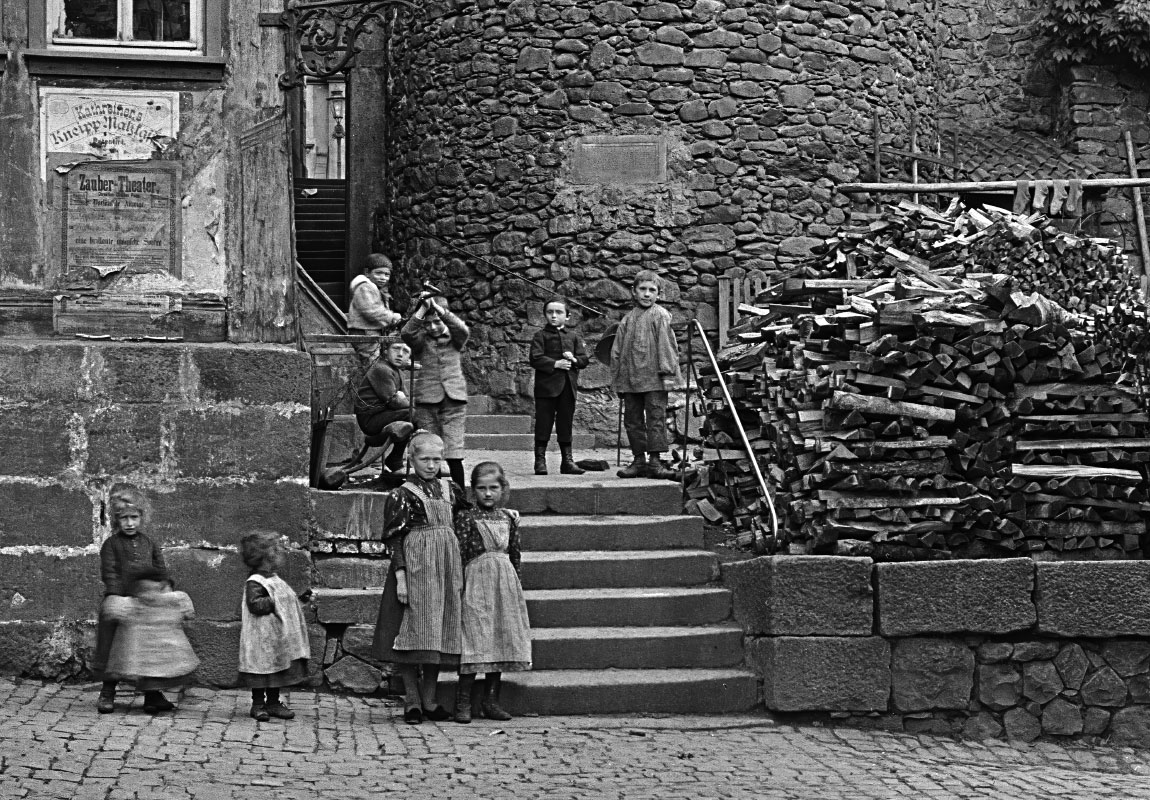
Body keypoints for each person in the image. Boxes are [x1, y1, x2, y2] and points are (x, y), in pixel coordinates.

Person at [371, 431, 466, 724]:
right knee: (414, 633)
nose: (431, 465)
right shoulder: (402, 494)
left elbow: (464, 525)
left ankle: (430, 699)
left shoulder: (451, 491)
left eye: (437, 459)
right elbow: (394, 539)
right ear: (412, 459)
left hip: (446, 568)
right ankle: (411, 700)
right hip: (417, 569)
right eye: (425, 459)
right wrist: (401, 577)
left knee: (439, 631)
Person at [453, 462, 531, 723]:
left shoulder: (508, 519)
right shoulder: (465, 518)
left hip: (504, 584)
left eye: (493, 488)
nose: (488, 493)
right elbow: (460, 554)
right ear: (473, 491)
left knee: (499, 637)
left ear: (502, 489)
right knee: (474, 638)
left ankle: (491, 700)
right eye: (481, 488)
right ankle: (462, 701)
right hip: (476, 581)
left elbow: (515, 553)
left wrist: (516, 583)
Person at [94, 485, 167, 714]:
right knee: (114, 649)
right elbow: (110, 572)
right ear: (116, 521)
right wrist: (116, 596)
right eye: (124, 519)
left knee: (148, 650)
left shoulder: (149, 543)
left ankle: (152, 695)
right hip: (121, 605)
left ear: (141, 517)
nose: (130, 523)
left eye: (134, 517)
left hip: (146, 606)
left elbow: (159, 568)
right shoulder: (111, 545)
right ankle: (107, 692)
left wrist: (163, 587)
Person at [610, 270, 682, 480]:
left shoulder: (659, 315)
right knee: (632, 420)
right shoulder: (627, 319)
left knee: (656, 419)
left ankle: (656, 462)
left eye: (652, 290)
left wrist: (668, 374)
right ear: (634, 292)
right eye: (643, 289)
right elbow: (617, 352)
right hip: (631, 379)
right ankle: (638, 460)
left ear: (658, 294)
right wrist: (618, 381)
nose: (647, 294)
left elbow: (667, 346)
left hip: (654, 379)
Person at [101, 567, 199, 714]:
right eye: (146, 591)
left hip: (153, 650)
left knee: (154, 671)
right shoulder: (135, 605)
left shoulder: (164, 603)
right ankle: (112, 694)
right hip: (143, 651)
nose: (151, 595)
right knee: (149, 671)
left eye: (157, 590)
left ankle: (152, 698)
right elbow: (113, 608)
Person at [238, 531, 310, 722]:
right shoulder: (256, 581)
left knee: (276, 670)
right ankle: (258, 704)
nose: (280, 554)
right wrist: (276, 600)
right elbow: (255, 604)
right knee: (262, 670)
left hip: (276, 637)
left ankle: (273, 702)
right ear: (266, 557)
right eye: (276, 551)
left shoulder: (275, 579)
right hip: (261, 638)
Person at [402, 294, 469, 488]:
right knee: (431, 448)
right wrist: (422, 309)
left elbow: (461, 328)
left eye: (437, 322)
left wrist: (439, 309)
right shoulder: (421, 340)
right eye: (428, 323)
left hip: (453, 399)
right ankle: (434, 492)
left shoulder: (456, 338)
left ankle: (460, 496)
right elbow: (406, 333)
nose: (432, 327)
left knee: (454, 451)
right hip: (427, 401)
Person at [528, 299, 590, 476]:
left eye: (559, 312)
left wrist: (574, 359)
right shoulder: (540, 336)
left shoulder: (574, 337)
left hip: (567, 388)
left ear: (568, 316)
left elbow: (584, 360)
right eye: (550, 312)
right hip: (546, 389)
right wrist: (556, 364)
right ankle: (540, 461)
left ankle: (567, 462)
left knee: (565, 424)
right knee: (543, 424)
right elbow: (535, 358)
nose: (554, 316)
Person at [352, 336, 416, 477]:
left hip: (382, 415)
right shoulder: (382, 369)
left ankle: (397, 458)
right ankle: (395, 459)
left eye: (405, 351)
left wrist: (403, 400)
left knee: (413, 413)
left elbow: (403, 400)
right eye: (396, 348)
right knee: (413, 414)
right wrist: (402, 400)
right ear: (385, 351)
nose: (400, 354)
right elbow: (396, 402)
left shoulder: (397, 371)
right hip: (371, 421)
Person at [348, 253, 402, 367]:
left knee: (373, 364)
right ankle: (370, 383)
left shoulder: (374, 288)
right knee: (372, 366)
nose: (383, 278)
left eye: (387, 274)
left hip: (370, 332)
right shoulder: (364, 287)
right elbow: (370, 311)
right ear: (367, 273)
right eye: (378, 273)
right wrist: (391, 317)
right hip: (364, 332)